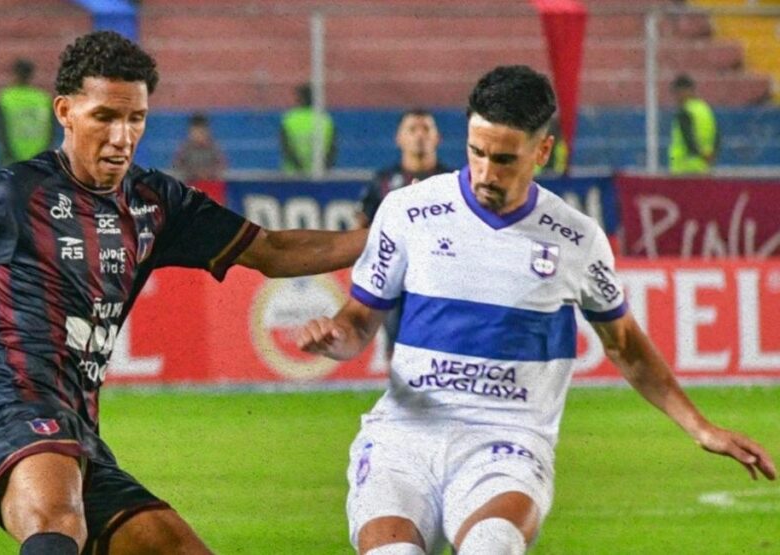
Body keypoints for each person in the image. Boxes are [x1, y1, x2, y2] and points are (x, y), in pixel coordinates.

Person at [0, 31, 368, 555]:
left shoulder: (157, 203)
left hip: (75, 428)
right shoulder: (12, 194)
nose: (122, 136)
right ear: (66, 111)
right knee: (56, 517)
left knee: (175, 547)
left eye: (136, 118)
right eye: (105, 117)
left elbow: (275, 250)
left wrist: (389, 233)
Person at [297, 65, 775, 555]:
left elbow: (625, 345)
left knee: (491, 545)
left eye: (504, 159)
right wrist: (337, 337)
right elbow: (359, 321)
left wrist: (701, 428)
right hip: (404, 438)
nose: (486, 173)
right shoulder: (407, 211)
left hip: (506, 445)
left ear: (542, 151)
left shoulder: (576, 239)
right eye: (477, 152)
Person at [356, 108, 451, 358]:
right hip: (396, 279)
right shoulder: (383, 182)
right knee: (398, 349)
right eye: (412, 129)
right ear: (399, 138)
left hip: (440, 279)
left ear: (438, 137)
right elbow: (363, 226)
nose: (419, 135)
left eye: (426, 129)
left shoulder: (452, 182)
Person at [0, 58, 55, 166]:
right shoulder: (43, 98)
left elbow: (0, 128)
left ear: (14, 74)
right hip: (39, 154)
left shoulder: (5, 97)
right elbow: (51, 129)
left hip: (13, 155)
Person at [280, 83, 336, 176]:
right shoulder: (325, 120)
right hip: (319, 174)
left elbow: (286, 148)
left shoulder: (289, 119)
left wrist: (301, 170)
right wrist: (324, 169)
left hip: (293, 175)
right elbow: (332, 150)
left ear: (299, 99)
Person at [668, 73, 718, 175]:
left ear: (684, 91)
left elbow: (688, 138)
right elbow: (717, 135)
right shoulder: (705, 109)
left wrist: (700, 154)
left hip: (683, 167)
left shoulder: (685, 111)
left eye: (677, 93)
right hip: (703, 167)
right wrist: (710, 155)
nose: (676, 97)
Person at [172, 112, 226, 186]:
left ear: (207, 132)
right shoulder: (185, 148)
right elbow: (176, 166)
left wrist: (209, 173)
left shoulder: (213, 147)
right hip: (190, 183)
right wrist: (193, 173)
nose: (198, 135)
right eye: (195, 132)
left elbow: (221, 165)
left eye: (201, 132)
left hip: (210, 183)